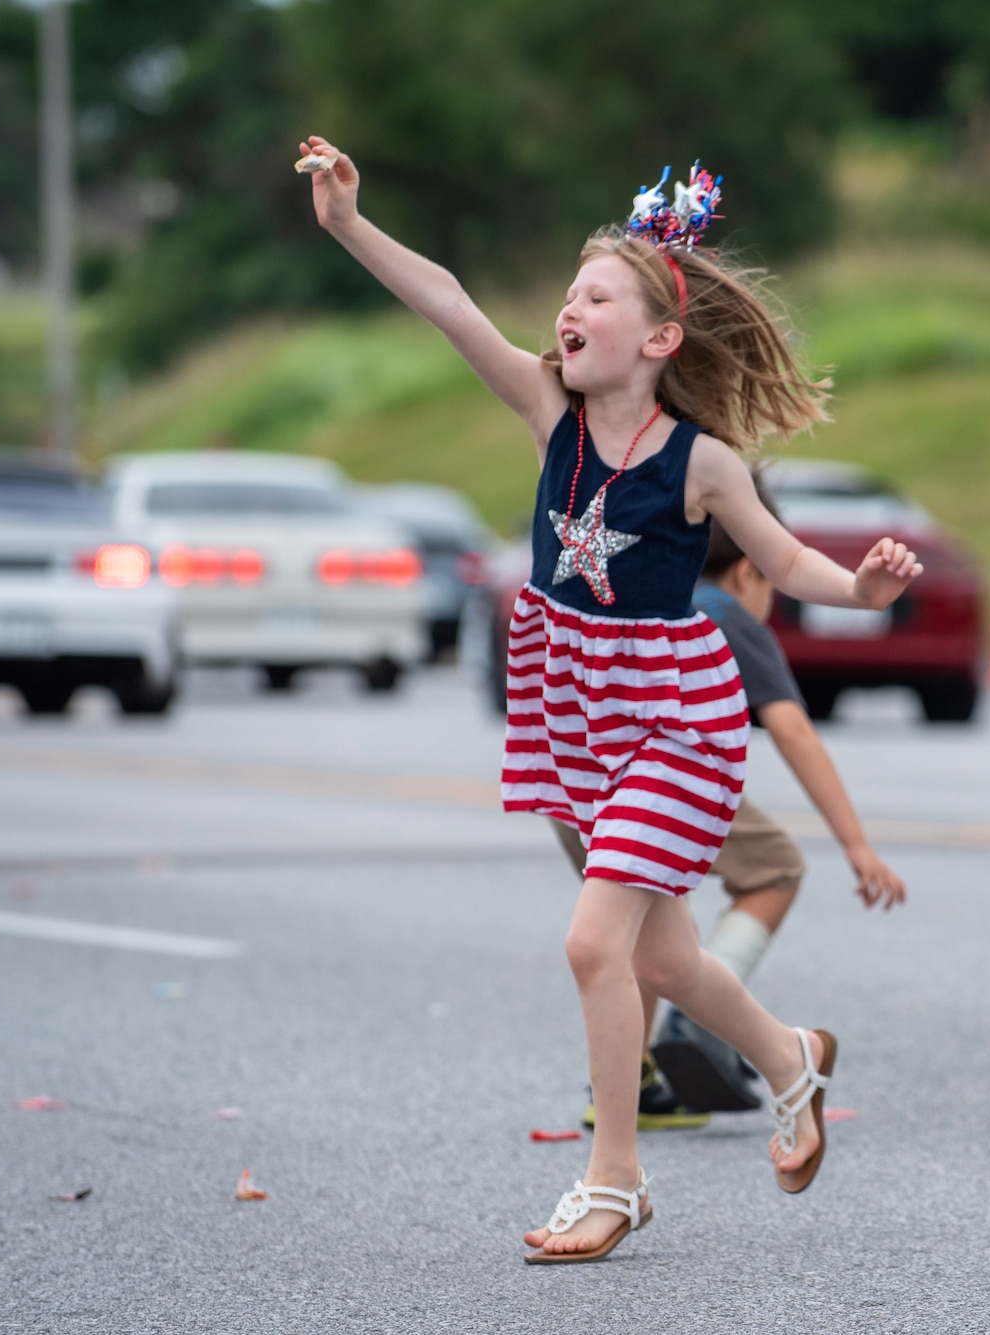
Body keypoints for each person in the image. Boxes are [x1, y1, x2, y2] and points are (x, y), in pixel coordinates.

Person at [303, 141, 922, 1263]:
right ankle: (787, 1057)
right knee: (663, 961)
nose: (567, 308)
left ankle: (615, 1180)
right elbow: (447, 303)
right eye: (570, 291)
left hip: (674, 715)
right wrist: (350, 222)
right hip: (576, 706)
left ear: (658, 339)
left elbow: (783, 564)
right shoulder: (549, 412)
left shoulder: (698, 462)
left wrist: (863, 590)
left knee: (596, 945)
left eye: (596, 295)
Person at [555, 478, 907, 1128]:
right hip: (655, 780)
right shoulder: (721, 612)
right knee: (775, 865)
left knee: (641, 926)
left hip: (574, 785)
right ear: (751, 568)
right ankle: (702, 1021)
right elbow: (793, 730)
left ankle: (629, 1083)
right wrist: (857, 845)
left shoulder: (640, 592)